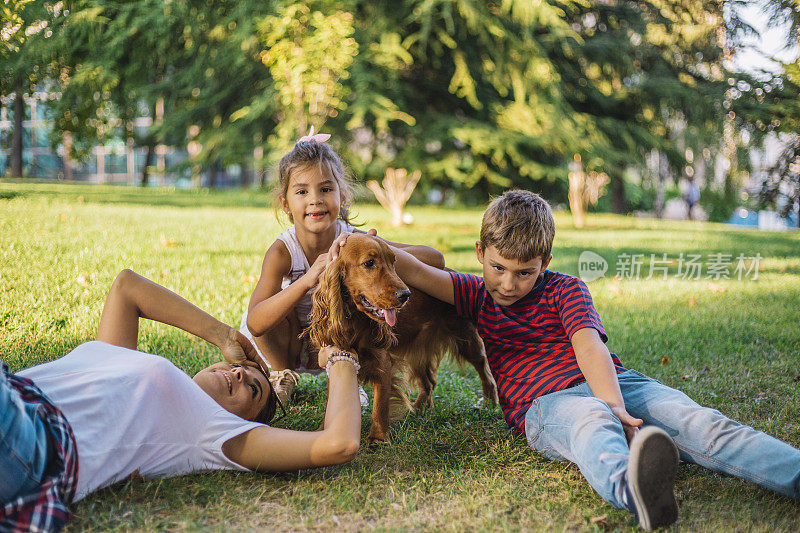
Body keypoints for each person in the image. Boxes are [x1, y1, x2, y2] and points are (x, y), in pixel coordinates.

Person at [332, 190, 800, 530]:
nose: (509, 284)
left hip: (617, 383)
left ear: (546, 261)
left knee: (703, 422)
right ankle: (632, 488)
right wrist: (364, 241)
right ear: (480, 255)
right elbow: (411, 267)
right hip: (544, 405)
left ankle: (792, 472)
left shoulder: (567, 288)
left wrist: (618, 405)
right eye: (498, 268)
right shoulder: (474, 293)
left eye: (524, 273)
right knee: (590, 425)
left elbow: (588, 346)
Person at [1, 269, 362, 532]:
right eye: (240, 368)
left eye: (252, 389)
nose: (238, 375)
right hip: (15, 393)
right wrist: (223, 334)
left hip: (34, 440)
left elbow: (339, 443)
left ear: (248, 423)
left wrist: (339, 357)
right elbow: (128, 287)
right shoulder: (117, 358)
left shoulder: (213, 430)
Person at [240, 126, 443, 405]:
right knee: (276, 305)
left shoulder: (355, 243)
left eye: (326, 188)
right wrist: (308, 278)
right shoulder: (282, 252)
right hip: (288, 344)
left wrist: (379, 254)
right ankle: (280, 375)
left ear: (342, 195)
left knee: (354, 307)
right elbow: (255, 322)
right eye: (301, 191)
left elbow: (435, 259)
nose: (315, 199)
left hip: (335, 342)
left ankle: (347, 374)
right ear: (285, 203)